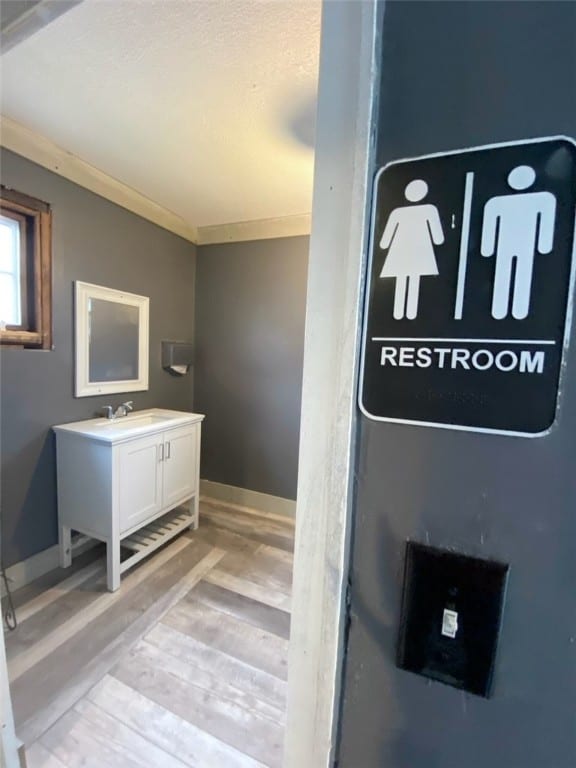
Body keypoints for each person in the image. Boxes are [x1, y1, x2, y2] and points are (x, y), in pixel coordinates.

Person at [480, 165, 556, 320]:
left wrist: (544, 245)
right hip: (505, 245)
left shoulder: (542, 199)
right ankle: (499, 309)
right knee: (503, 273)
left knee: (522, 275)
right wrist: (487, 248)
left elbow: (546, 222)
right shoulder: (496, 202)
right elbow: (490, 224)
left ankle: (517, 311)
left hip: (524, 245)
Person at [379, 179, 444, 320]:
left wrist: (384, 244)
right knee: (412, 280)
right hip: (419, 251)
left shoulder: (400, 212)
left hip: (401, 252)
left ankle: (401, 314)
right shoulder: (428, 210)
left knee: (404, 281)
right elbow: (438, 237)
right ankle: (408, 314)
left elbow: (385, 239)